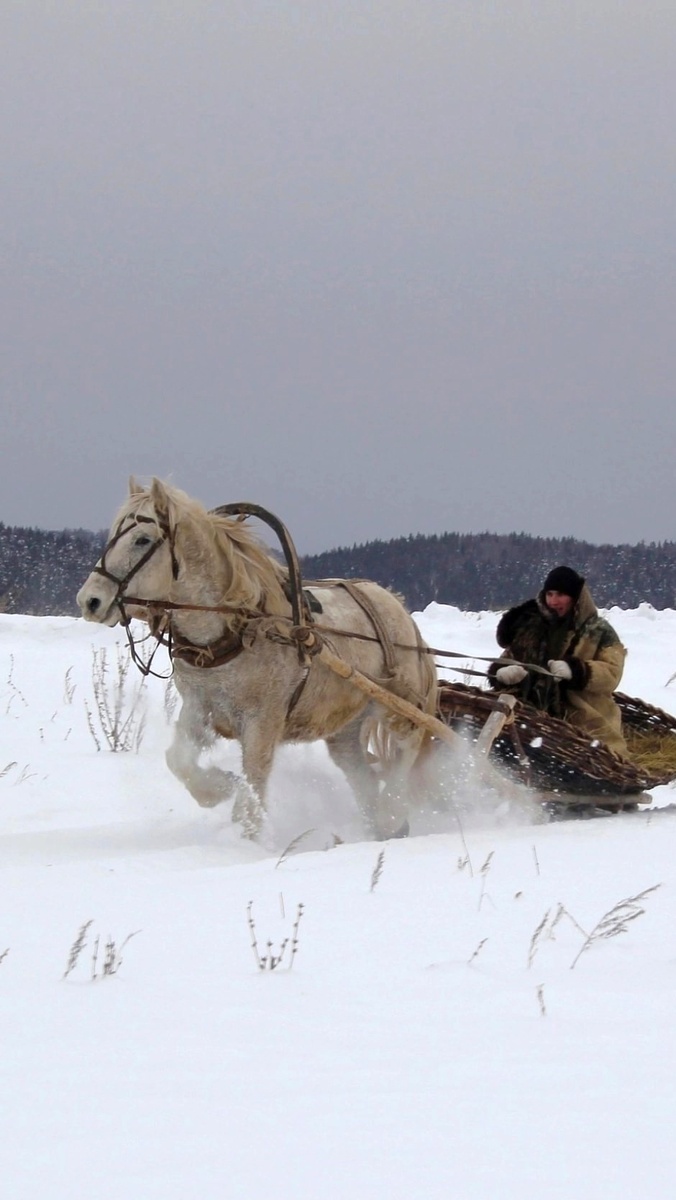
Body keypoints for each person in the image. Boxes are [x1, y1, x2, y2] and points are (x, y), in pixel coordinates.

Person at [488, 565, 628, 758]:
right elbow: (508, 658)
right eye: (550, 594)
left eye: (561, 595)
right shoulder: (531, 626)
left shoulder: (599, 631)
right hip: (529, 718)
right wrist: (503, 672)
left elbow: (613, 673)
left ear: (575, 597)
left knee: (595, 755)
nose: (553, 601)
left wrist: (576, 671)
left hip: (585, 721)